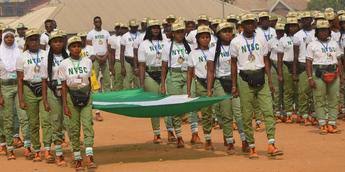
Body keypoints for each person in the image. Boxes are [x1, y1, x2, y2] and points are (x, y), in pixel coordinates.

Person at [230, 13, 283, 159]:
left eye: (251, 23)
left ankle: (271, 144)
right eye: (246, 23)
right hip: (244, 78)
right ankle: (252, 146)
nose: (249, 25)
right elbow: (233, 64)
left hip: (261, 76)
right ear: (242, 25)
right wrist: (234, 85)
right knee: (246, 114)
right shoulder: (235, 42)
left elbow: (266, 60)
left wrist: (270, 81)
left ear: (255, 24)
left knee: (268, 110)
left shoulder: (261, 39)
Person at [206, 22, 248, 154]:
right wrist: (209, 88)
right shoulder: (213, 50)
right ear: (218, 34)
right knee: (226, 113)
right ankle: (230, 142)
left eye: (230, 31)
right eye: (224, 31)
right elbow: (211, 71)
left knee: (239, 113)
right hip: (220, 82)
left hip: (236, 80)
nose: (228, 33)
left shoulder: (237, 46)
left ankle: (245, 140)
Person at [161, 21, 203, 146]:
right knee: (175, 105)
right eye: (177, 32)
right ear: (173, 33)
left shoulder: (189, 46)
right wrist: (163, 84)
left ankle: (195, 133)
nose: (180, 34)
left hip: (188, 75)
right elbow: (164, 67)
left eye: (182, 32)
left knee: (192, 104)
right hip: (174, 75)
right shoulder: (167, 46)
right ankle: (179, 135)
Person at [59, 36, 96, 170]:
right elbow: (63, 86)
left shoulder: (87, 61)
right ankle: (77, 157)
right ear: (68, 48)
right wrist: (64, 105)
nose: (76, 48)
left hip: (86, 94)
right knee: (73, 128)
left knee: (87, 125)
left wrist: (90, 95)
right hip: (71, 96)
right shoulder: (64, 64)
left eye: (78, 46)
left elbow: (89, 80)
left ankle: (89, 155)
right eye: (73, 46)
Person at [137, 19, 176, 145]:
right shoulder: (144, 44)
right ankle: (157, 133)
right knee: (154, 104)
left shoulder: (165, 42)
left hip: (164, 73)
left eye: (157, 27)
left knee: (167, 103)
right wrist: (142, 83)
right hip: (150, 74)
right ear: (149, 29)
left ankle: (170, 131)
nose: (155, 29)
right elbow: (142, 65)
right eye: (153, 27)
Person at [306, 19, 342, 134]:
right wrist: (310, 78)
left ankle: (332, 123)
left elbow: (339, 60)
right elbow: (308, 63)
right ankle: (322, 123)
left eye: (326, 30)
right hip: (318, 72)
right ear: (317, 32)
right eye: (321, 30)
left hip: (333, 71)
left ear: (329, 31)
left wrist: (340, 74)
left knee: (334, 99)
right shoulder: (312, 44)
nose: (323, 33)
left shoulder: (334, 43)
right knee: (319, 99)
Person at [0, 27, 31, 160]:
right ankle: (10, 148)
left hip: (19, 86)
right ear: (3, 38)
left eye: (11, 37)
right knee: (8, 118)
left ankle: (27, 146)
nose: (9, 39)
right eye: (7, 37)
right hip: (4, 87)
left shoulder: (19, 52)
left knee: (24, 117)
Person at [17, 28, 47, 162]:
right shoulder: (21, 57)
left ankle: (47, 149)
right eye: (31, 39)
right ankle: (36, 149)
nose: (34, 42)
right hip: (29, 89)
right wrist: (21, 99)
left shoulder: (46, 54)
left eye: (36, 39)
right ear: (27, 42)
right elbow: (19, 80)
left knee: (46, 121)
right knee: (33, 123)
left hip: (44, 88)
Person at [41, 29, 68, 165]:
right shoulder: (45, 58)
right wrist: (45, 100)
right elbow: (44, 81)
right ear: (50, 43)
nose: (57, 44)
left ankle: (76, 153)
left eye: (60, 41)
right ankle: (58, 153)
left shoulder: (68, 56)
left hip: (67, 92)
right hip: (52, 92)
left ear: (63, 43)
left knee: (69, 121)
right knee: (56, 121)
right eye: (54, 42)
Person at [293, 11, 317, 125]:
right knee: (303, 92)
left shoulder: (316, 33)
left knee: (315, 91)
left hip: (315, 64)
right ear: (301, 21)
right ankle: (303, 114)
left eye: (308, 19)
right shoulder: (297, 35)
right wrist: (295, 72)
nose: (306, 21)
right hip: (302, 64)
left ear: (311, 20)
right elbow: (295, 55)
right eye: (304, 19)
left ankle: (313, 113)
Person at [87, 16, 111, 122]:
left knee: (106, 80)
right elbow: (88, 48)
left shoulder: (106, 32)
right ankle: (95, 100)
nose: (98, 23)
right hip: (95, 58)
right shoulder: (90, 34)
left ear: (101, 22)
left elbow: (108, 45)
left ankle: (107, 102)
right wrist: (96, 57)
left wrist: (106, 55)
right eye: (96, 22)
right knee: (95, 80)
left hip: (105, 57)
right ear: (93, 23)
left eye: (99, 21)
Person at [277, 17, 300, 123]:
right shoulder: (283, 40)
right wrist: (280, 73)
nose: (292, 28)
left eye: (295, 25)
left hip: (299, 65)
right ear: (287, 27)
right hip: (286, 65)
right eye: (290, 26)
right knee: (288, 90)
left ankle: (300, 112)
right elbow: (279, 58)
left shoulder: (300, 38)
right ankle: (289, 113)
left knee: (299, 90)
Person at [268, 22, 285, 121]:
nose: (280, 33)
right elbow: (268, 55)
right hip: (274, 65)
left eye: (281, 31)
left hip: (285, 64)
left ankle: (284, 109)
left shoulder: (287, 40)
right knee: (276, 89)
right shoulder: (271, 41)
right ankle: (276, 110)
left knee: (285, 89)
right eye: (278, 31)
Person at [120, 19, 140, 89]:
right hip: (128, 60)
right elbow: (122, 52)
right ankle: (127, 94)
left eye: (136, 27)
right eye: (132, 27)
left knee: (137, 78)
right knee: (128, 78)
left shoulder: (140, 35)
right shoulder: (125, 36)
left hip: (137, 60)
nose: (134, 28)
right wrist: (122, 66)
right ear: (130, 27)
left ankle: (137, 94)